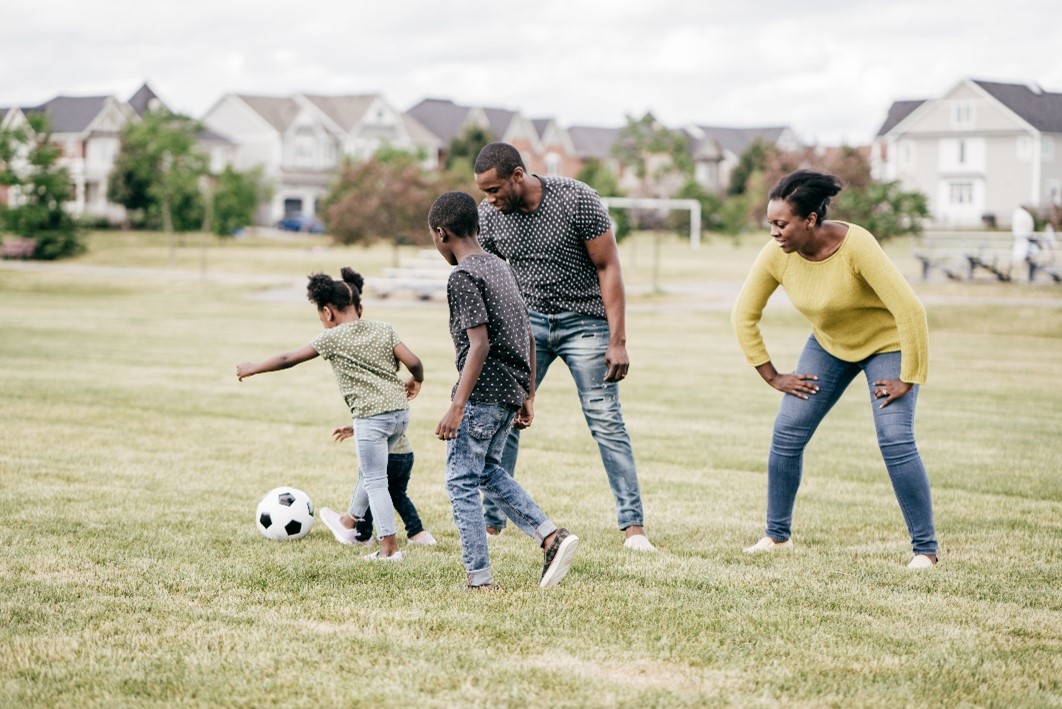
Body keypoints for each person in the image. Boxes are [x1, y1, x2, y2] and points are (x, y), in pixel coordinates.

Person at [731, 169, 939, 570]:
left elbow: (910, 309)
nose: (774, 233)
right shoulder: (776, 254)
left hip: (886, 346)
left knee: (895, 439)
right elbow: (743, 314)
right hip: (829, 346)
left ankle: (925, 550)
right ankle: (777, 537)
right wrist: (772, 375)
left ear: (810, 220)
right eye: (770, 224)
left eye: (782, 224)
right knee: (787, 432)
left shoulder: (856, 245)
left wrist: (909, 376)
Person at [473, 142, 654, 552]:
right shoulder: (489, 217)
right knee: (505, 417)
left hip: (585, 322)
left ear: (518, 176)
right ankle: (492, 523)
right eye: (484, 192)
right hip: (528, 325)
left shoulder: (577, 199)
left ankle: (634, 528)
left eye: (495, 189)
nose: (490, 199)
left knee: (605, 419)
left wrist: (618, 340)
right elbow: (494, 280)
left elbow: (608, 266)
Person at [428, 190, 579, 590]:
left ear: (441, 233)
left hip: (480, 395)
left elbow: (479, 344)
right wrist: (528, 394)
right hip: (509, 391)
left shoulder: (463, 276)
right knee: (487, 472)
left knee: (461, 481)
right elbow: (528, 334)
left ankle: (479, 579)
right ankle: (550, 536)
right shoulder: (500, 266)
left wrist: (457, 405)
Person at [236, 267, 424, 561]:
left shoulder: (332, 337)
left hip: (371, 418)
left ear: (327, 312)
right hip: (400, 415)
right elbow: (414, 361)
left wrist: (254, 367)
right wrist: (416, 380)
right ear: (358, 306)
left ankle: (388, 550)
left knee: (375, 480)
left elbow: (288, 359)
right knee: (370, 473)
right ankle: (348, 523)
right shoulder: (384, 328)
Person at [330, 429, 437, 547]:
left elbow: (377, 423)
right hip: (405, 453)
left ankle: (363, 536)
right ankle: (418, 534)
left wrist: (360, 426)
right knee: (398, 495)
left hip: (386, 455)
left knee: (370, 490)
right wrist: (357, 428)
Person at [1011, 205, 1036, 281]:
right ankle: (1026, 275)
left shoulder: (1016, 215)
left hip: (1020, 240)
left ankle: (1020, 275)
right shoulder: (1026, 215)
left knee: (1021, 258)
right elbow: (1030, 227)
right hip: (1026, 240)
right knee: (1027, 258)